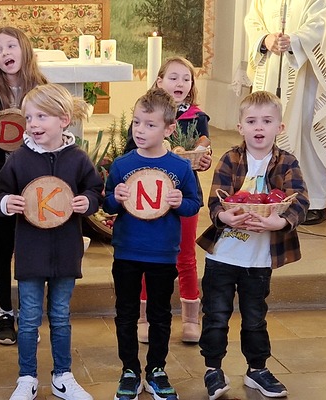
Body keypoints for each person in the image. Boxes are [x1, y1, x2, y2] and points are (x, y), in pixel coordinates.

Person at [0, 83, 102, 400]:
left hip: (66, 250)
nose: (33, 124)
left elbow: (95, 190)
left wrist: (88, 201)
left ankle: (62, 376)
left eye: (42, 116)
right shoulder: (19, 159)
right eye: (29, 117)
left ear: (64, 120)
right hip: (31, 252)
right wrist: (6, 202)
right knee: (28, 319)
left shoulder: (77, 159)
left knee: (61, 316)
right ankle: (26, 377)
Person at [196, 91, 309, 400]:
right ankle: (213, 369)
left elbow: (300, 200)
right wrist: (224, 216)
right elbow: (215, 201)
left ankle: (257, 369)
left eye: (267, 121)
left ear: (279, 128)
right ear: (240, 127)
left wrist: (280, 223)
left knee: (255, 317)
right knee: (216, 315)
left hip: (259, 260)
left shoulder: (287, 162)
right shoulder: (230, 159)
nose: (259, 127)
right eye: (252, 121)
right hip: (223, 255)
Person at [104, 88, 200, 400]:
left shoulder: (180, 167)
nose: (140, 130)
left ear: (169, 129)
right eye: (136, 122)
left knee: (160, 314)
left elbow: (194, 204)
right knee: (126, 312)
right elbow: (108, 203)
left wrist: (180, 202)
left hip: (162, 253)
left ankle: (157, 368)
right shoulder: (122, 164)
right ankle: (129, 370)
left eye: (149, 124)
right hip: (127, 250)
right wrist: (115, 199)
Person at [123, 57, 212, 345]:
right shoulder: (145, 115)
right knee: (147, 255)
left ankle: (190, 319)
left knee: (185, 255)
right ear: (159, 81)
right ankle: (144, 318)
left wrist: (203, 160)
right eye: (173, 77)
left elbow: (203, 150)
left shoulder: (197, 118)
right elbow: (130, 152)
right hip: (148, 195)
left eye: (186, 78)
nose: (180, 83)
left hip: (183, 196)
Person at [0, 26, 48, 345]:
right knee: (2, 246)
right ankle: (4, 312)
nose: (5, 54)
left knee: (32, 248)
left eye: (10, 46)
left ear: (24, 48)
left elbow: (55, 131)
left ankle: (29, 313)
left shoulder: (42, 88)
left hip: (35, 180)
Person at [244, 0, 326, 225]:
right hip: (272, 69)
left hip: (307, 77)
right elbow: (253, 19)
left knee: (307, 135)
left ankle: (312, 202)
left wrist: (293, 41)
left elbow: (322, 24)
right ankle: (270, 196)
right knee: (267, 130)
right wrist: (265, 39)